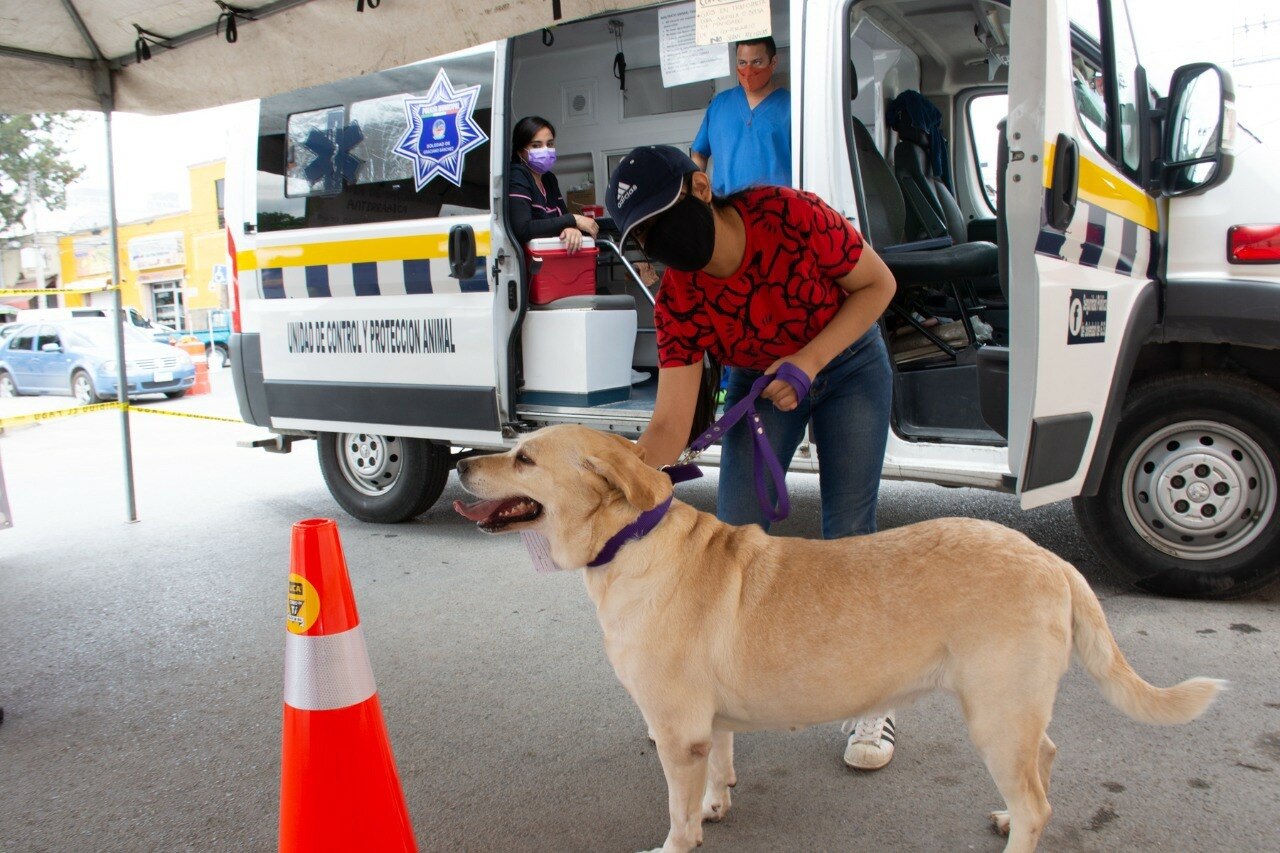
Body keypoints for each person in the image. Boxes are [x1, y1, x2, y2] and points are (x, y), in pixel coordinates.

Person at [606, 145, 901, 772]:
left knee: (849, 533)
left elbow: (879, 285)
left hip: (847, 364)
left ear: (702, 187)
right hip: (760, 381)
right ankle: (718, 697)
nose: (661, 243)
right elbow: (670, 420)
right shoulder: (678, 298)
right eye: (646, 237)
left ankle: (873, 698)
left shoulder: (791, 215)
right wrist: (622, 483)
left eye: (664, 218)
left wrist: (812, 360)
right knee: (734, 536)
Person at [691, 36, 791, 196]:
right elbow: (698, 154)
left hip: (777, 211)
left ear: (773, 63)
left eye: (757, 62)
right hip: (728, 213)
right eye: (742, 63)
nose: (748, 71)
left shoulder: (790, 107)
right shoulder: (720, 105)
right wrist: (695, 197)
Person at [508, 115, 598, 251]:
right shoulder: (517, 175)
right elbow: (522, 229)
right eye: (536, 145)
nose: (545, 150)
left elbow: (563, 217)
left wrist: (571, 228)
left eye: (549, 144)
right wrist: (573, 220)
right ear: (520, 152)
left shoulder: (549, 178)